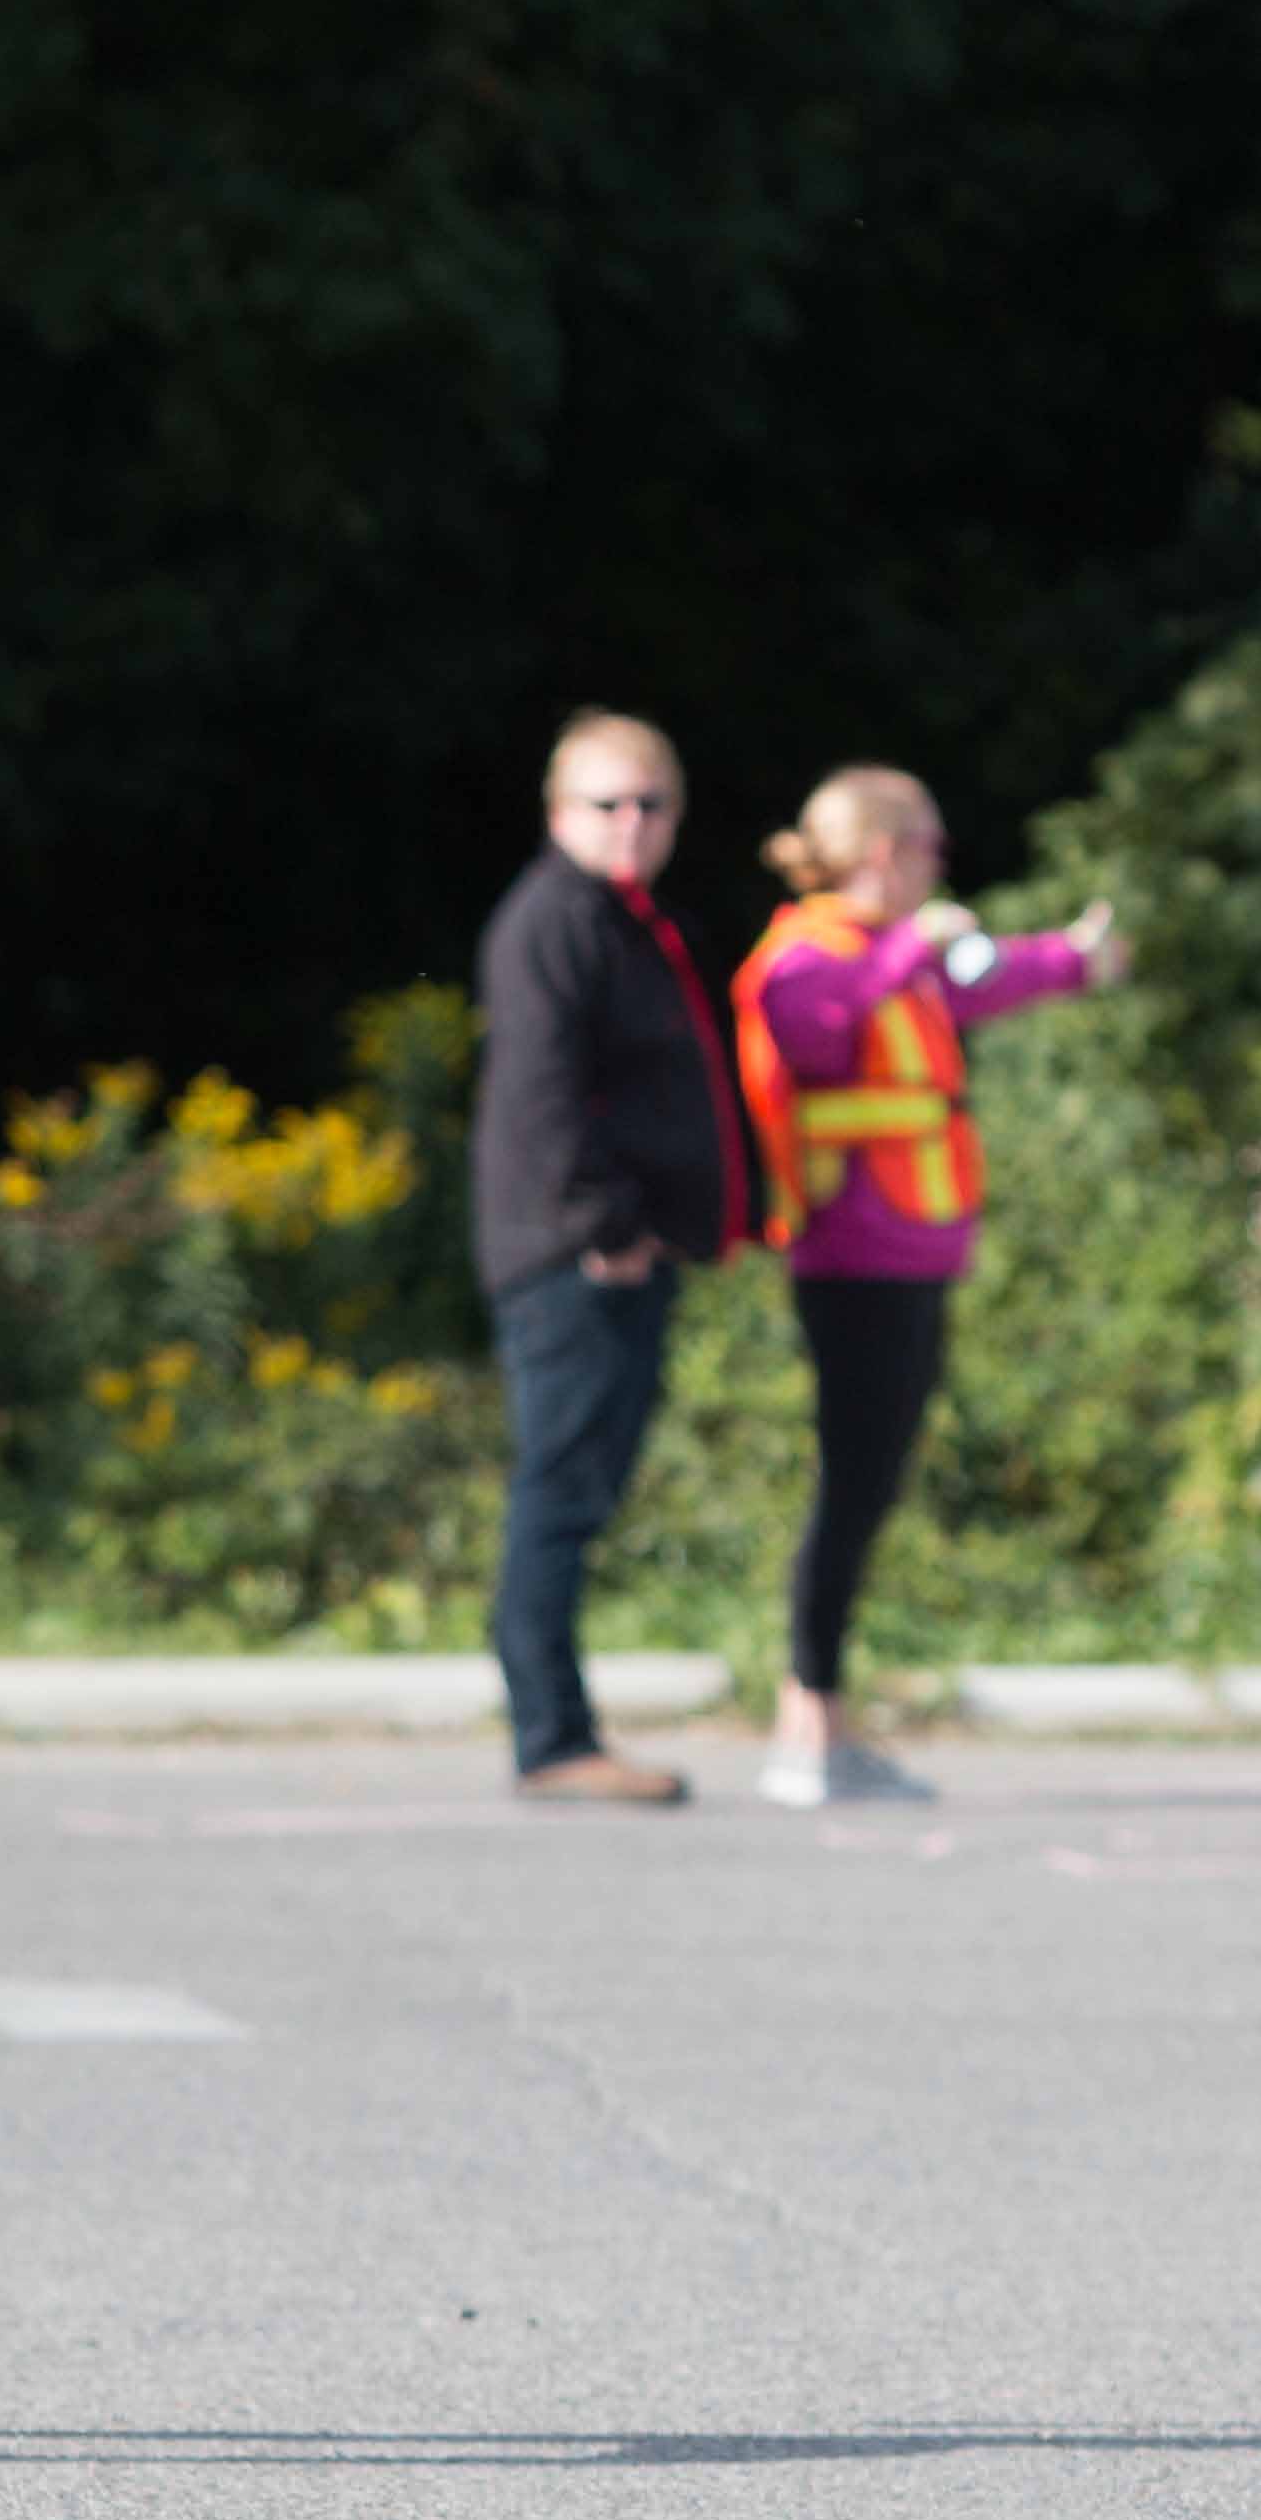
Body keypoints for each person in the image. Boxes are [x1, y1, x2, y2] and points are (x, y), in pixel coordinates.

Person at [727, 768, 1128, 1810]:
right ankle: (807, 1726)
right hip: (853, 1264)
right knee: (852, 1486)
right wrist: (915, 947)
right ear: (883, 853)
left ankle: (819, 1722)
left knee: (869, 1483)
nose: (939, 867)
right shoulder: (810, 954)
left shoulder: (886, 956)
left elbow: (981, 981)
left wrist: (1074, 960)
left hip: (911, 1260)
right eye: (932, 848)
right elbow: (813, 1030)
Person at [468, 709, 745, 1805]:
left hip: (615, 1249)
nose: (631, 822)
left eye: (651, 804)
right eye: (607, 803)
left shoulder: (625, 921)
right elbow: (541, 1095)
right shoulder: (555, 922)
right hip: (575, 1257)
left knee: (581, 1486)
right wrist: (607, 1228)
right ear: (557, 812)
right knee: (561, 1489)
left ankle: (557, 1732)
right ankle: (552, 1740)